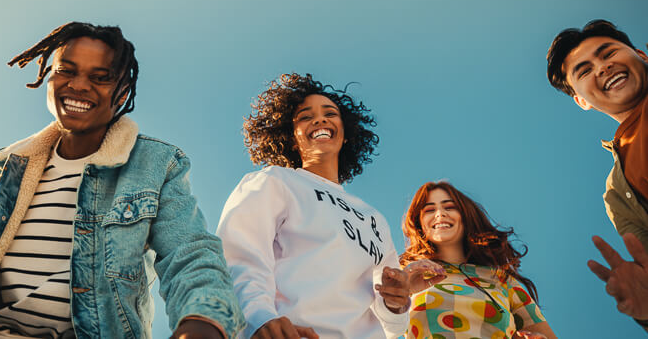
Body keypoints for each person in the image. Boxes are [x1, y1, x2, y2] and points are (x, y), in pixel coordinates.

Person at [0, 22, 244, 338]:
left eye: (101, 76)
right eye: (67, 70)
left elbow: (189, 252)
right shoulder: (0, 169)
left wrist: (203, 321)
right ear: (49, 77)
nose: (79, 85)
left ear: (122, 93)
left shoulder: (155, 166)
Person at [216, 73, 444, 339]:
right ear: (291, 137)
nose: (320, 119)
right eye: (305, 116)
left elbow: (392, 324)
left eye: (330, 113)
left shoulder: (374, 218)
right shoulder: (274, 181)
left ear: (345, 133)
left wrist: (397, 301)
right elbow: (239, 256)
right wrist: (259, 319)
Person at [546, 19, 648, 329]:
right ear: (581, 100)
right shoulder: (618, 194)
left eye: (607, 54)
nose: (601, 68)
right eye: (585, 70)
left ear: (642, 56)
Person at [400, 181, 556, 339]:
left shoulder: (502, 280)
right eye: (429, 209)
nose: (440, 213)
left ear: (466, 216)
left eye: (449, 207)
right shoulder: (407, 273)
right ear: (419, 223)